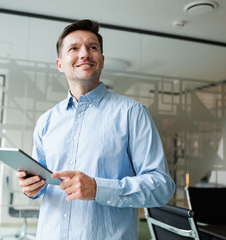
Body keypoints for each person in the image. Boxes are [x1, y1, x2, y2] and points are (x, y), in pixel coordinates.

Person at [16, 19, 175, 240]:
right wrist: (31, 187)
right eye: (74, 48)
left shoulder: (132, 113)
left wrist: (98, 188)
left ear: (101, 60)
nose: (85, 54)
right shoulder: (46, 121)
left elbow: (161, 187)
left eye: (92, 47)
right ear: (60, 64)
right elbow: (41, 183)